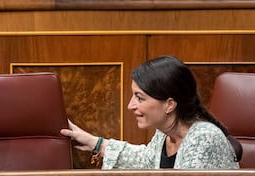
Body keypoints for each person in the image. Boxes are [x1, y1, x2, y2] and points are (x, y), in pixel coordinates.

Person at [60, 55, 242, 169]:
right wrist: (95, 143)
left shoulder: (203, 138)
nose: (130, 105)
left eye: (140, 98)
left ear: (169, 104)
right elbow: (145, 160)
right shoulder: (165, 133)